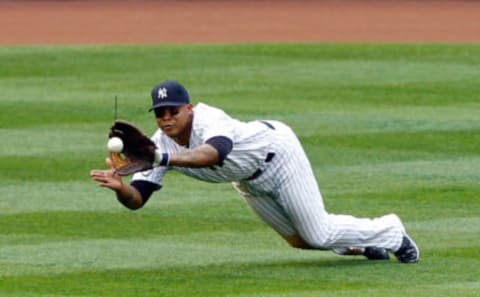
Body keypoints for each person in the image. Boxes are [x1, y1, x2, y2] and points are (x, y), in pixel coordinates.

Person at [90, 80, 419, 263]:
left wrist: (161, 158)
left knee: (318, 233)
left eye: (173, 111)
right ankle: (363, 247)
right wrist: (121, 189)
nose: (166, 119)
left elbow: (214, 153)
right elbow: (138, 199)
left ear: (188, 108)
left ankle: (391, 232)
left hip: (279, 155)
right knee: (299, 242)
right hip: (248, 180)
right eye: (160, 113)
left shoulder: (208, 119)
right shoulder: (158, 145)